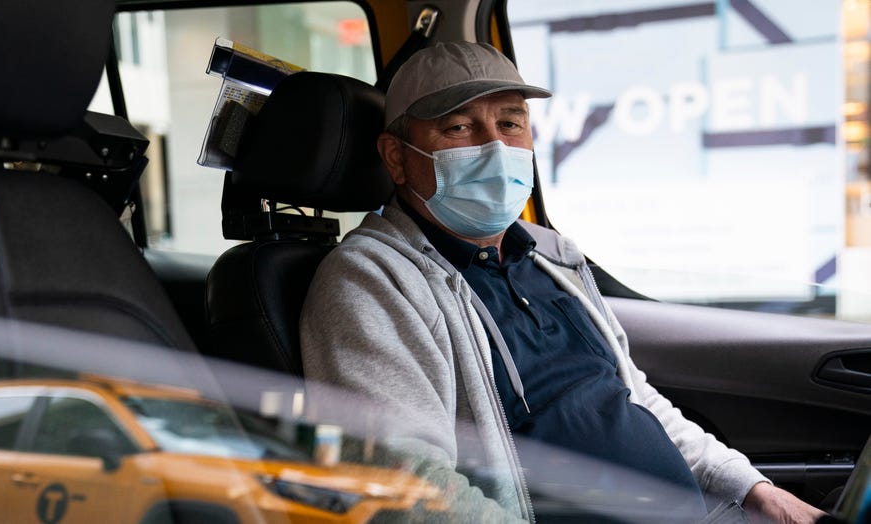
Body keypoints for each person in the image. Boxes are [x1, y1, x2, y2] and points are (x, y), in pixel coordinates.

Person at [300, 41, 824, 523]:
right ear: (396, 157)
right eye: (458, 128)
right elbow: (405, 482)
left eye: (511, 123)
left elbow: (634, 398)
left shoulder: (551, 256)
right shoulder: (371, 280)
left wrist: (755, 489)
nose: (495, 146)